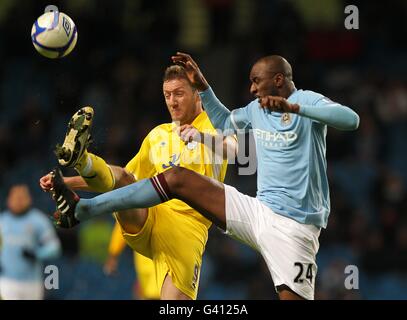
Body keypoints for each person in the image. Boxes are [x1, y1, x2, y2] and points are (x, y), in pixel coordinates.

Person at [47, 52, 360, 300]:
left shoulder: (307, 100)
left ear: (278, 79)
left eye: (256, 81)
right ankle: (84, 206)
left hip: (294, 229)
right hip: (258, 211)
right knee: (176, 178)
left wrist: (293, 108)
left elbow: (350, 119)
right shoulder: (255, 109)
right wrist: (205, 87)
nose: (251, 88)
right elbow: (225, 121)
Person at [40, 64, 237, 300]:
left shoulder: (215, 125)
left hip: (187, 227)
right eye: (167, 95)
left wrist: (201, 137)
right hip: (148, 217)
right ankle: (83, 160)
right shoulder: (158, 135)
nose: (172, 102)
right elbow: (119, 178)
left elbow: (234, 150)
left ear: (197, 94)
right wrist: (65, 181)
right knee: (125, 178)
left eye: (179, 93)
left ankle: (82, 196)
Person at [0, 184, 61, 300]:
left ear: (29, 199)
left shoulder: (38, 220)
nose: (19, 201)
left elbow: (55, 247)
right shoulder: (2, 222)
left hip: (32, 283)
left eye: (22, 197)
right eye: (16, 197)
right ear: (8, 200)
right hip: (7, 282)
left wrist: (37, 253)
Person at [104, 220, 160, 300]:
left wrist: (113, 254)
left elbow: (124, 222)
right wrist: (113, 254)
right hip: (148, 264)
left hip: (163, 263)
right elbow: (124, 223)